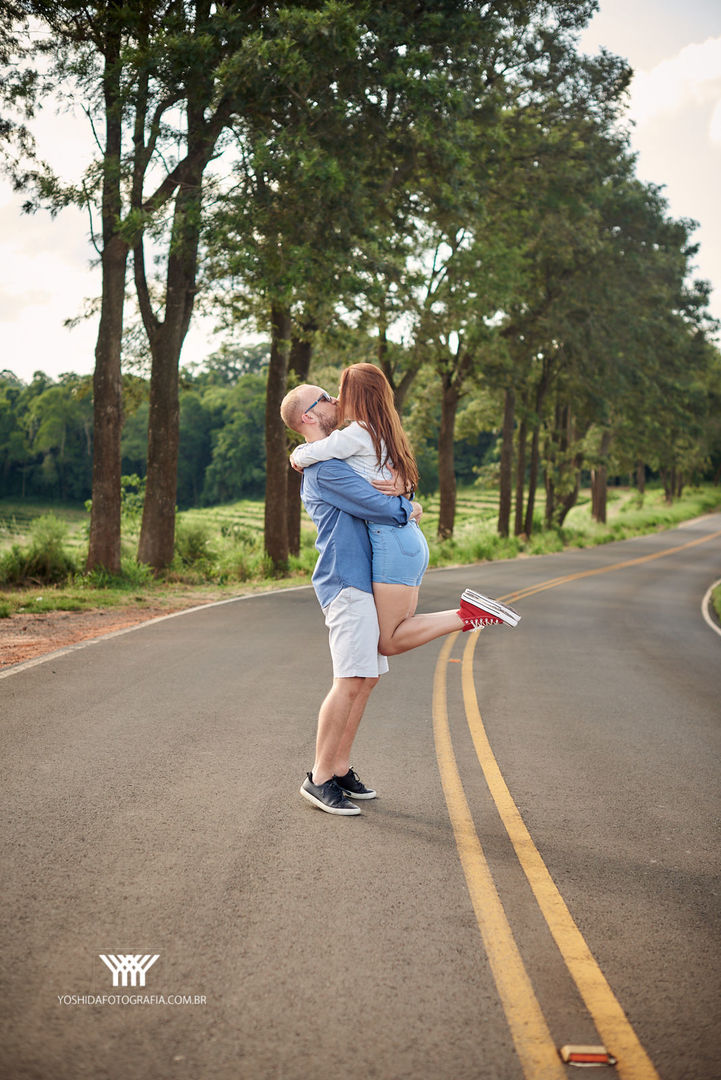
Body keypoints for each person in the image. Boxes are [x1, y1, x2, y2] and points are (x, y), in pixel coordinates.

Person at [280, 374, 519, 818]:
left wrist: (404, 491)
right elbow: (379, 505)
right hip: (346, 582)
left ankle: (339, 767)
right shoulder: (323, 466)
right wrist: (409, 504)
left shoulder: (344, 454)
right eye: (325, 398)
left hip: (368, 579)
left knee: (366, 679)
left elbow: (386, 483)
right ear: (309, 415)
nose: (335, 399)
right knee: (350, 679)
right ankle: (318, 778)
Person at [290, 363, 520, 656]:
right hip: (408, 540)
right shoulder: (383, 430)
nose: (336, 398)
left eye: (339, 392)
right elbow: (395, 478)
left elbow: (317, 452)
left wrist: (297, 454)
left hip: (390, 540)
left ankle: (469, 614)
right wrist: (410, 497)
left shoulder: (356, 434)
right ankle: (470, 613)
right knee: (400, 628)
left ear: (356, 396)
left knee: (389, 641)